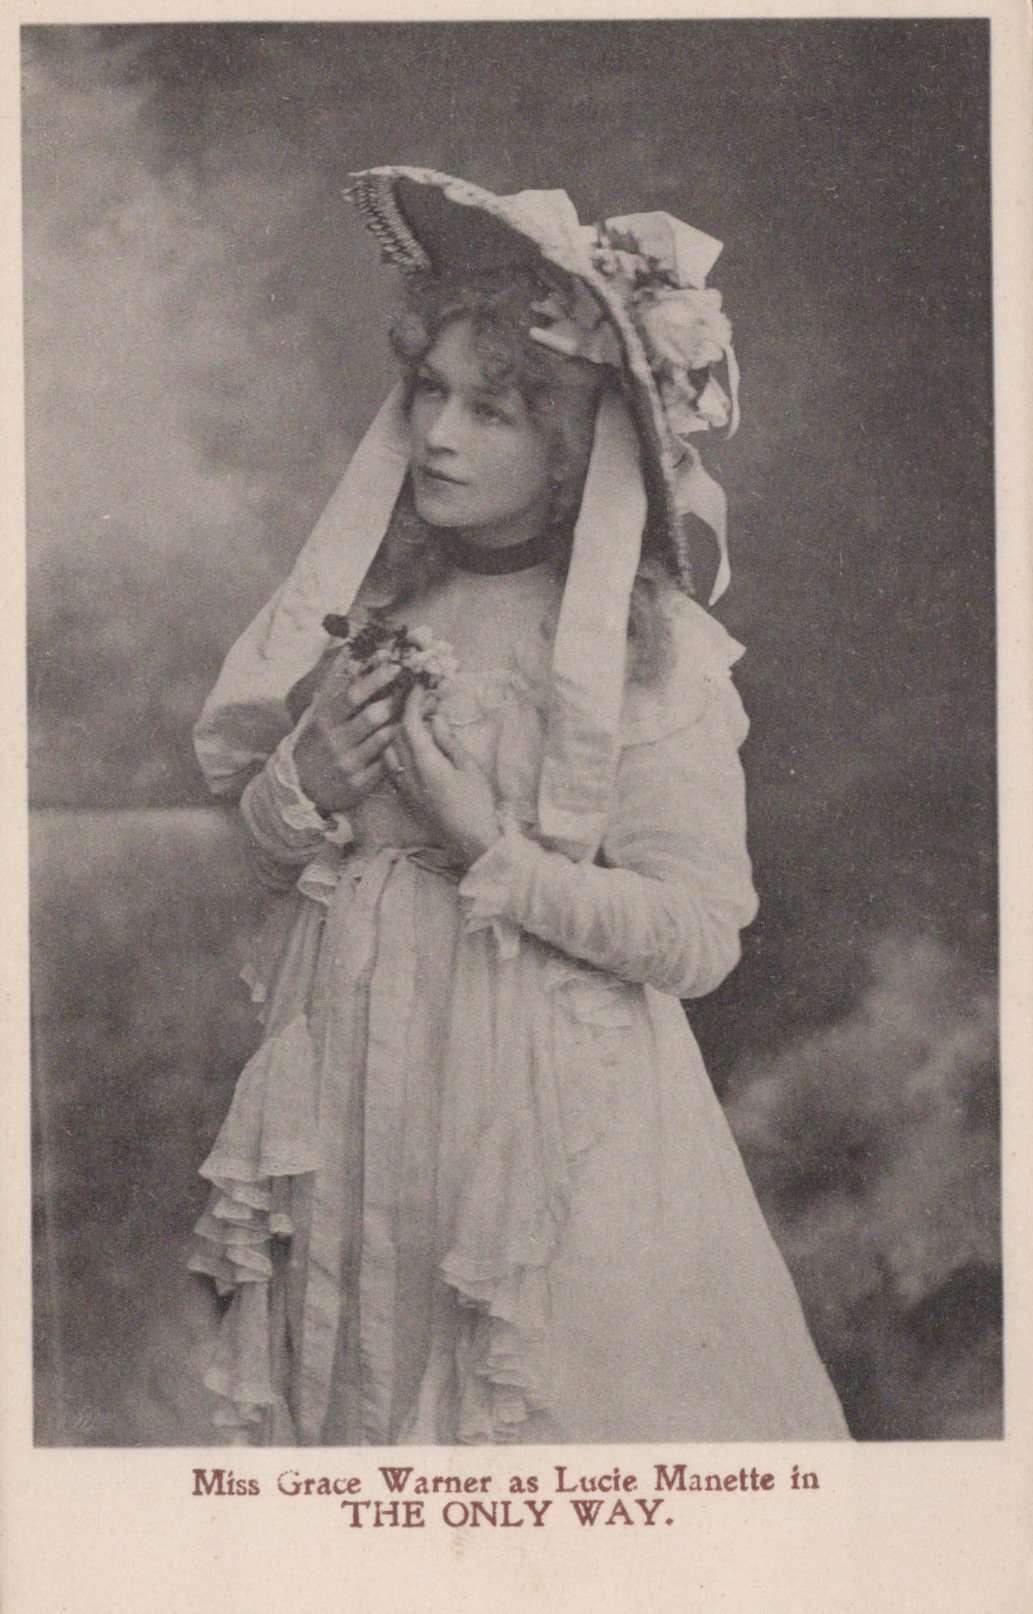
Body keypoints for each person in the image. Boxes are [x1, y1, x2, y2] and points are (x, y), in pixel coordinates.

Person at [189, 168, 849, 1445]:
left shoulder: (646, 656)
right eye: (429, 394)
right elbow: (274, 869)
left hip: (543, 1124)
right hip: (363, 1098)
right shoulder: (379, 613)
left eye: (491, 410)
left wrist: (483, 846)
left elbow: (697, 937)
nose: (437, 434)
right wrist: (302, 787)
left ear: (570, 448)